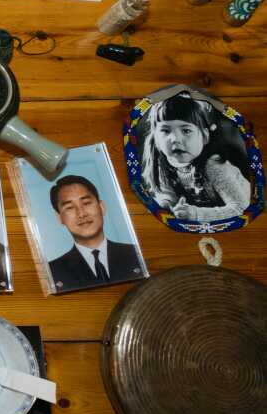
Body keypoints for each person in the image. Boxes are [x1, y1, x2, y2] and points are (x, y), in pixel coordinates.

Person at [140, 93, 252, 221]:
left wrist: (195, 214)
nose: (175, 139)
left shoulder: (214, 166)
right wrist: (168, 205)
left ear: (205, 136)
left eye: (186, 130)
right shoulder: (164, 163)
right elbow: (168, 195)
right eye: (165, 130)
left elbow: (241, 208)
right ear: (156, 139)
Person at [46, 175, 144, 291]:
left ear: (102, 207)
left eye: (86, 203)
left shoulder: (137, 254)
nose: (81, 213)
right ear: (60, 218)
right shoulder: (52, 272)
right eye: (70, 207)